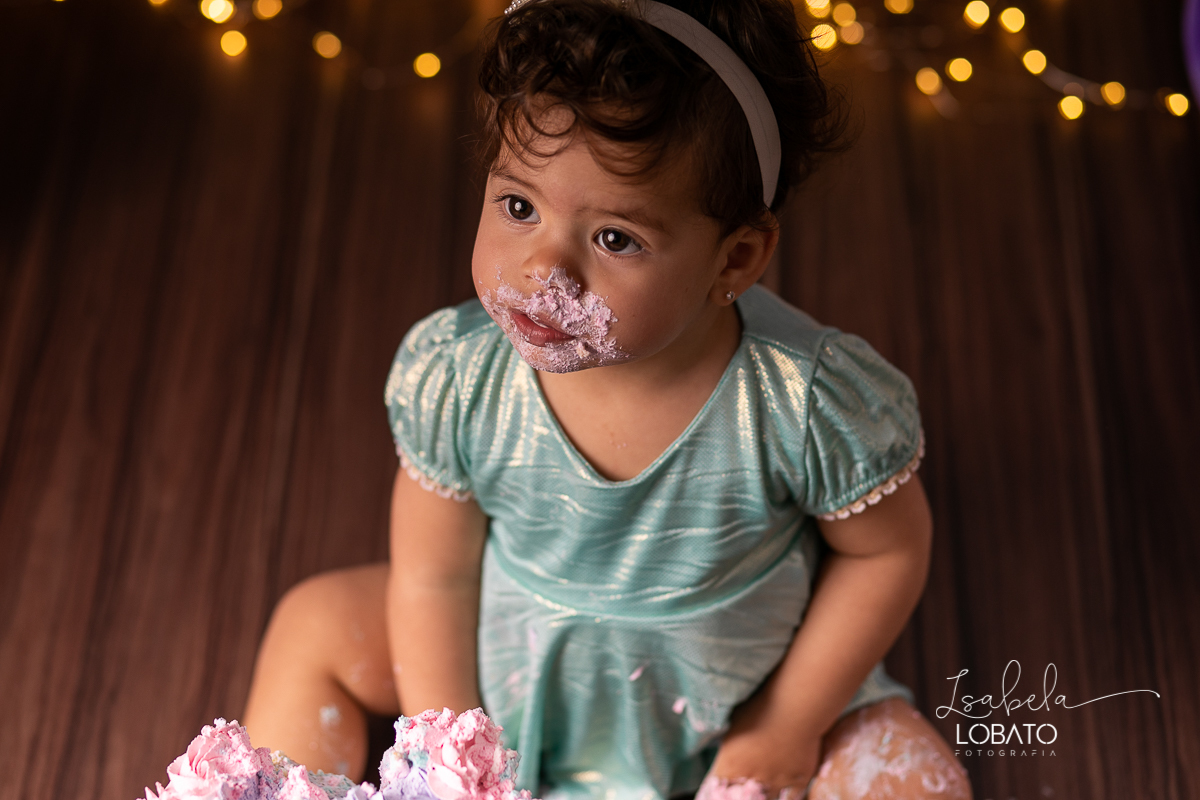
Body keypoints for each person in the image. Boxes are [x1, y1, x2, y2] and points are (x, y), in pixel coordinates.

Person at [242, 1, 972, 798]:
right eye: (519, 207)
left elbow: (887, 552)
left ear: (736, 257)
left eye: (615, 239)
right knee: (314, 623)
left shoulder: (803, 400)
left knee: (918, 782)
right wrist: (454, 749)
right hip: (512, 655)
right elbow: (434, 577)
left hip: (735, 691)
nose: (543, 271)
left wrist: (788, 723)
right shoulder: (460, 378)